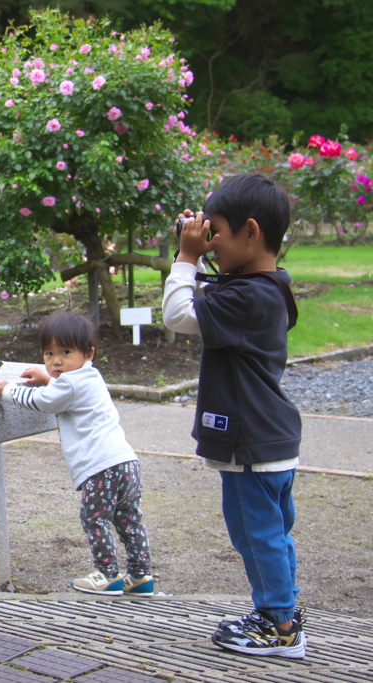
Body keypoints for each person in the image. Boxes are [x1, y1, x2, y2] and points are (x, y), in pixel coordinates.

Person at [162, 172, 306, 658]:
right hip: (271, 439)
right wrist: (195, 254)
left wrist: (186, 258)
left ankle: (279, 625)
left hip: (249, 443)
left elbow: (180, 314)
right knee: (273, 533)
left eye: (215, 230)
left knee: (255, 535)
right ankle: (283, 610)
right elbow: (210, 291)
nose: (209, 240)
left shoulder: (247, 296)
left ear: (251, 231)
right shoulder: (265, 285)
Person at [0, 311, 154, 597]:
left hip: (101, 468)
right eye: (49, 353)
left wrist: (7, 391)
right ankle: (140, 575)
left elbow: (43, 401)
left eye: (65, 352)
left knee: (95, 519)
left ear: (88, 353)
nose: (56, 360)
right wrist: (47, 377)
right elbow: (66, 392)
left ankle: (107, 575)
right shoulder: (90, 377)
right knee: (128, 519)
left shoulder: (68, 384)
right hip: (126, 463)